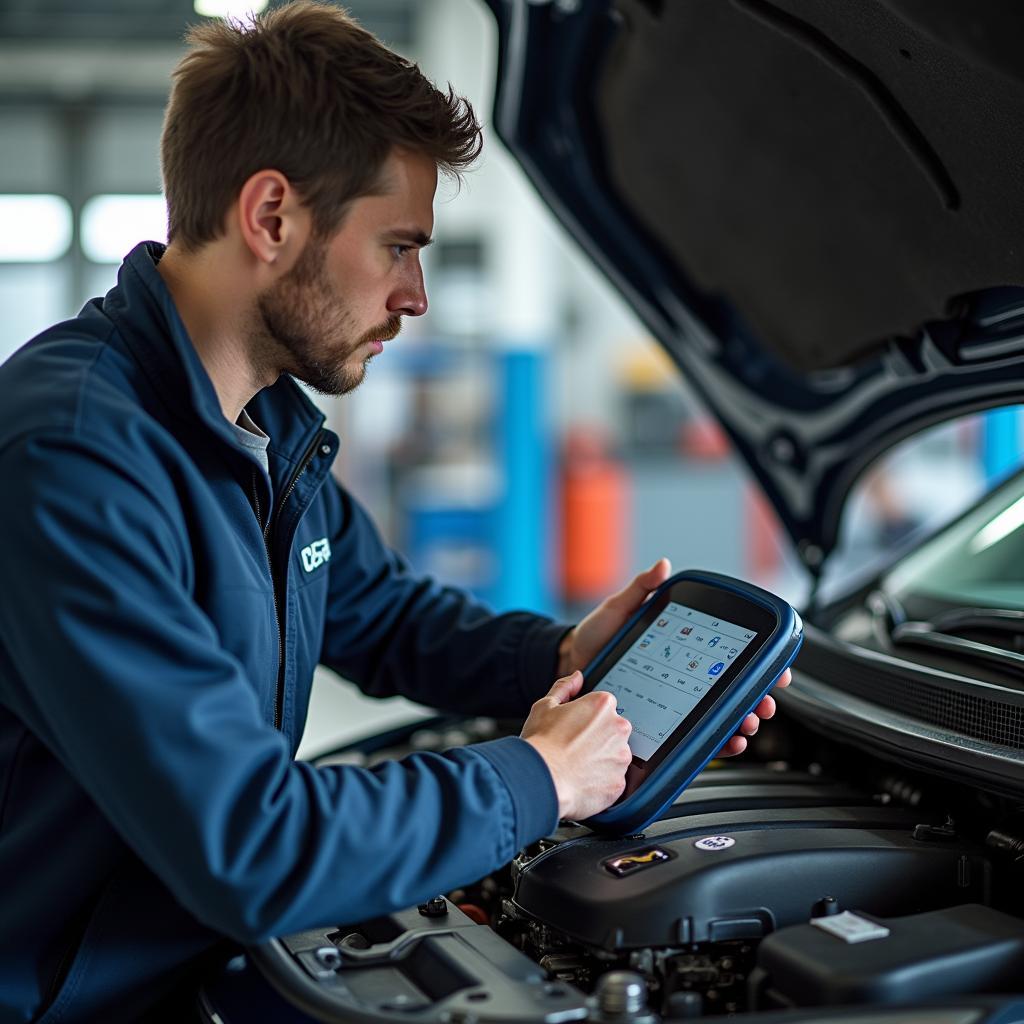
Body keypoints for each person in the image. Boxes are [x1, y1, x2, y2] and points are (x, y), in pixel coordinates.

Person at [0, 4, 789, 1022]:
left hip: (175, 965)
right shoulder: (74, 457)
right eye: (397, 247)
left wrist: (562, 658)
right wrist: (536, 779)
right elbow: (253, 844)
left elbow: (381, 616)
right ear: (272, 217)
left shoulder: (267, 427)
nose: (415, 295)